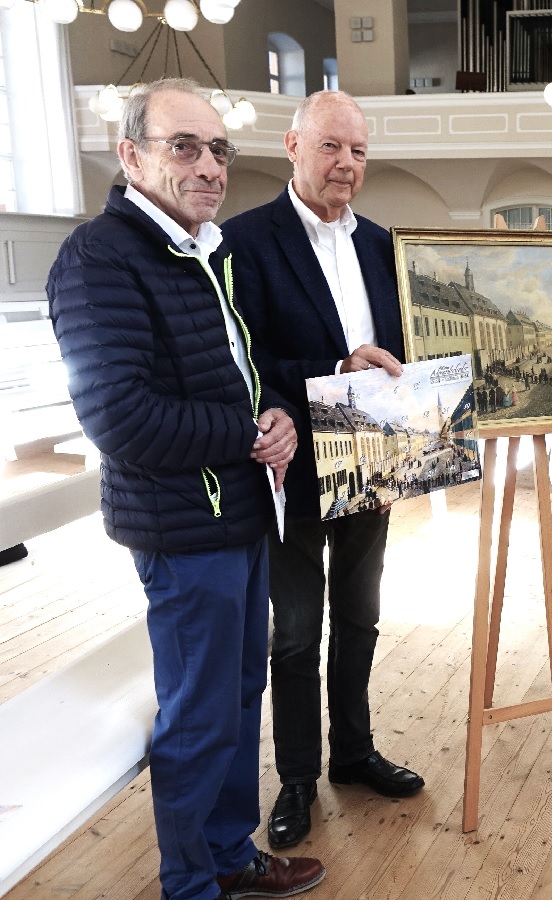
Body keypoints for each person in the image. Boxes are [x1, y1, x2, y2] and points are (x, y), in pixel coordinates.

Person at [46, 78, 324, 900]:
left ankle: (227, 854)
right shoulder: (100, 257)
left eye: (218, 149)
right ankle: (189, 884)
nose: (209, 166)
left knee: (240, 695)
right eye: (185, 147)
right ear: (130, 155)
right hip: (181, 530)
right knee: (199, 716)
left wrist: (274, 412)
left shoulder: (203, 248)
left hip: (238, 515)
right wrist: (246, 433)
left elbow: (234, 377)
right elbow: (120, 418)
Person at [221, 90, 422, 851]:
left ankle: (354, 753)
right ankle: (298, 777)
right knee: (297, 632)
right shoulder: (244, 240)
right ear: (293, 145)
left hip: (376, 459)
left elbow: (407, 347)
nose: (347, 164)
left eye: (359, 151)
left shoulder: (383, 244)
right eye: (332, 147)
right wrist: (334, 368)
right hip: (296, 462)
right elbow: (245, 362)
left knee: (361, 619)